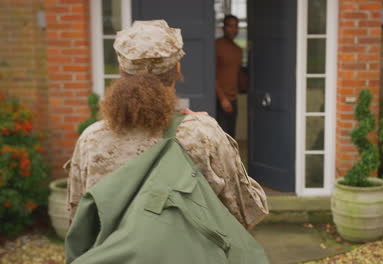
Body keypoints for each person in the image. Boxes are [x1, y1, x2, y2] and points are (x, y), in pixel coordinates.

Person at [65, 20, 268, 231]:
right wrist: (208, 130)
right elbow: (246, 212)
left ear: (121, 70)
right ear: (177, 69)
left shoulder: (91, 140)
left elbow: (77, 223)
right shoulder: (202, 134)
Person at [215, 14, 247, 138]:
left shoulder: (238, 50)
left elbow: (238, 74)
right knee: (220, 137)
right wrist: (222, 98)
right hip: (219, 100)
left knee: (231, 136)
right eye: (230, 26)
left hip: (233, 99)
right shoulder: (216, 46)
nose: (233, 29)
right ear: (224, 28)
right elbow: (212, 75)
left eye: (236, 26)